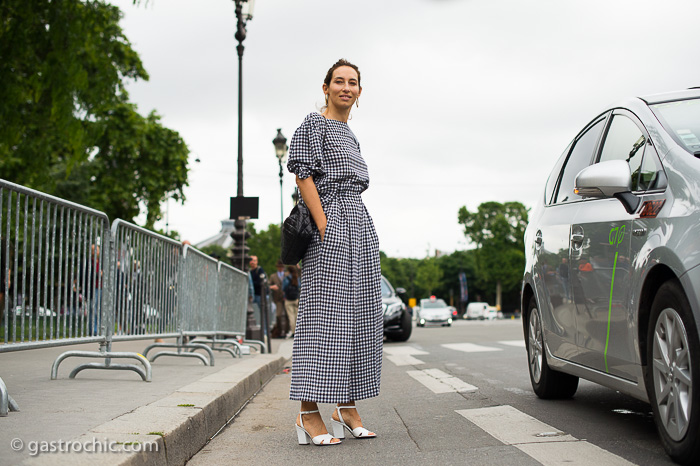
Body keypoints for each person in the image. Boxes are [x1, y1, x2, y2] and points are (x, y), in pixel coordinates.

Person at [287, 59, 382, 446]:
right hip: (331, 225)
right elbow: (302, 172)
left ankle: (346, 407)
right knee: (323, 316)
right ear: (325, 87)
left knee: (358, 315)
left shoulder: (349, 133)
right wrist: (324, 223)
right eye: (339, 81)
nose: (346, 87)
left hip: (359, 225)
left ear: (359, 92)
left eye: (353, 83)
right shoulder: (315, 123)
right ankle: (308, 411)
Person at [268, 259, 289, 338]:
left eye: (282, 267)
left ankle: (286, 331)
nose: (281, 268)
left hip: (287, 298)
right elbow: (268, 285)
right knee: (279, 315)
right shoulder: (273, 276)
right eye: (279, 267)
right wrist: (272, 287)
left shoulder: (287, 275)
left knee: (287, 315)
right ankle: (280, 331)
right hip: (278, 299)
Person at [282, 264, 300, 339]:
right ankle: (298, 330)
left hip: (288, 299)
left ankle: (293, 331)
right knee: (296, 316)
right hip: (295, 299)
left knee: (291, 316)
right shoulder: (296, 278)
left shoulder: (287, 278)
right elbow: (299, 286)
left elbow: (283, 288)